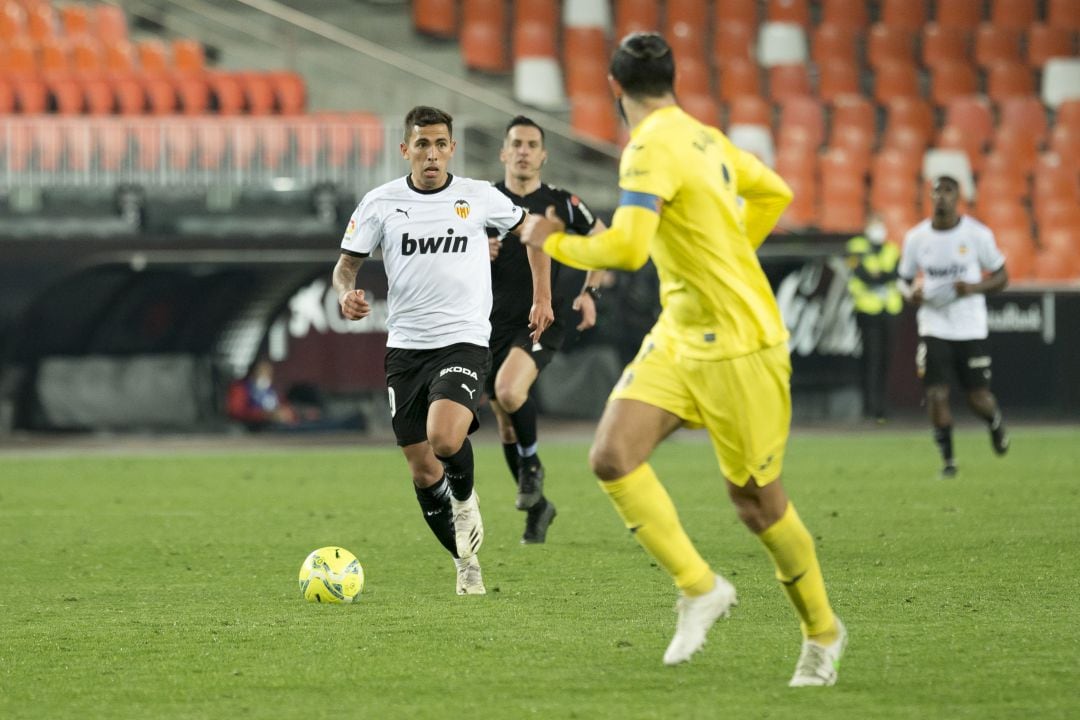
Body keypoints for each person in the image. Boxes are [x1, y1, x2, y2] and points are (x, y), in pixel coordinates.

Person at [520, 32, 845, 686]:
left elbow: (629, 250)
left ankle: (822, 632)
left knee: (756, 503)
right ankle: (700, 588)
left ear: (614, 89)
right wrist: (725, 257)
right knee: (611, 455)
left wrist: (555, 242)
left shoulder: (647, 151)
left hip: (739, 348)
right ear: (673, 84)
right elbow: (774, 190)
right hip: (681, 334)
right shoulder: (707, 138)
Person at [332, 105, 529, 595]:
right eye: (422, 144)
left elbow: (530, 233)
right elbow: (346, 266)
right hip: (406, 349)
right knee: (422, 470)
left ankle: (464, 497)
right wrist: (344, 293)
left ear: (452, 149)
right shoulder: (380, 203)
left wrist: (546, 291)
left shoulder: (480, 197)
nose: (432, 154)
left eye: (441, 144)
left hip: (463, 339)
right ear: (406, 150)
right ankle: (467, 565)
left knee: (444, 441)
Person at [487, 115, 607, 544]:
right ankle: (538, 507)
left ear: (542, 155)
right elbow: (448, 243)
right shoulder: (483, 201)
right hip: (488, 324)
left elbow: (601, 236)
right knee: (504, 422)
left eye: (531, 144)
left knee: (509, 391)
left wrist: (591, 291)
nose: (523, 150)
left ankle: (533, 467)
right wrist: (475, 246)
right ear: (503, 152)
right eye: (515, 143)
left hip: (541, 318)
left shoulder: (560, 202)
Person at [897, 175, 1010, 479]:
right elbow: (903, 280)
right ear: (930, 197)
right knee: (936, 393)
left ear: (958, 197)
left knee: (977, 397)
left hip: (970, 326)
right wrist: (911, 294)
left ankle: (994, 421)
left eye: (948, 192)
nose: (942, 197)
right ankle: (948, 462)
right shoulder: (916, 238)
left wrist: (973, 288)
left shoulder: (977, 235)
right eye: (937, 192)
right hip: (933, 325)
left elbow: (1002, 276)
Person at [846, 215, 903, 422]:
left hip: (889, 310)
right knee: (870, 358)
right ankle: (869, 406)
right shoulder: (856, 246)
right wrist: (881, 276)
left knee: (887, 359)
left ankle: (883, 405)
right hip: (867, 309)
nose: (877, 230)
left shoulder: (891, 249)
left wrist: (879, 276)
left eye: (880, 226)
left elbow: (896, 273)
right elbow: (861, 273)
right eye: (873, 226)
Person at [226, 356, 300, 430]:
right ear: (253, 372)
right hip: (252, 427)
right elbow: (236, 412)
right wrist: (264, 415)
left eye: (268, 373)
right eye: (262, 372)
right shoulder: (240, 388)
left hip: (276, 426)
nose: (265, 376)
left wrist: (286, 414)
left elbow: (284, 406)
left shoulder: (270, 391)